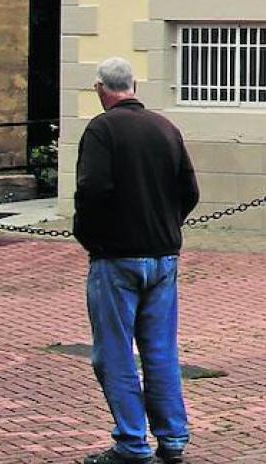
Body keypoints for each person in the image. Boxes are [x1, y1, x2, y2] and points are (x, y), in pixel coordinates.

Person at [75, 57, 200, 464]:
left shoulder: (102, 129)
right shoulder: (165, 128)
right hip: (163, 256)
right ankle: (173, 438)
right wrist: (168, 224)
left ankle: (131, 441)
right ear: (133, 85)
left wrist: (90, 235)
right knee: (160, 350)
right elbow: (190, 190)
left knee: (114, 352)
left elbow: (92, 189)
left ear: (100, 89)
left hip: (116, 257)